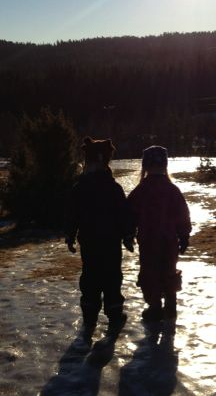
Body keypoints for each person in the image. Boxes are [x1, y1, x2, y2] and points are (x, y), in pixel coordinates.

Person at [65, 136, 133, 337]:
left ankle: (89, 318)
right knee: (112, 279)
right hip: (111, 244)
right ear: (106, 161)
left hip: (89, 244)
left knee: (90, 279)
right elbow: (123, 214)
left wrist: (70, 235)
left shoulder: (79, 188)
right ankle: (114, 316)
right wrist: (128, 235)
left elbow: (72, 215)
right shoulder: (113, 188)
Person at [127, 145, 192, 321]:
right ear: (165, 166)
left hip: (148, 241)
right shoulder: (172, 190)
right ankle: (171, 306)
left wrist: (128, 234)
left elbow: (129, 213)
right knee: (168, 271)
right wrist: (184, 236)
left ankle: (155, 307)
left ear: (145, 167)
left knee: (150, 273)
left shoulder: (141, 190)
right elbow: (182, 214)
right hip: (169, 241)